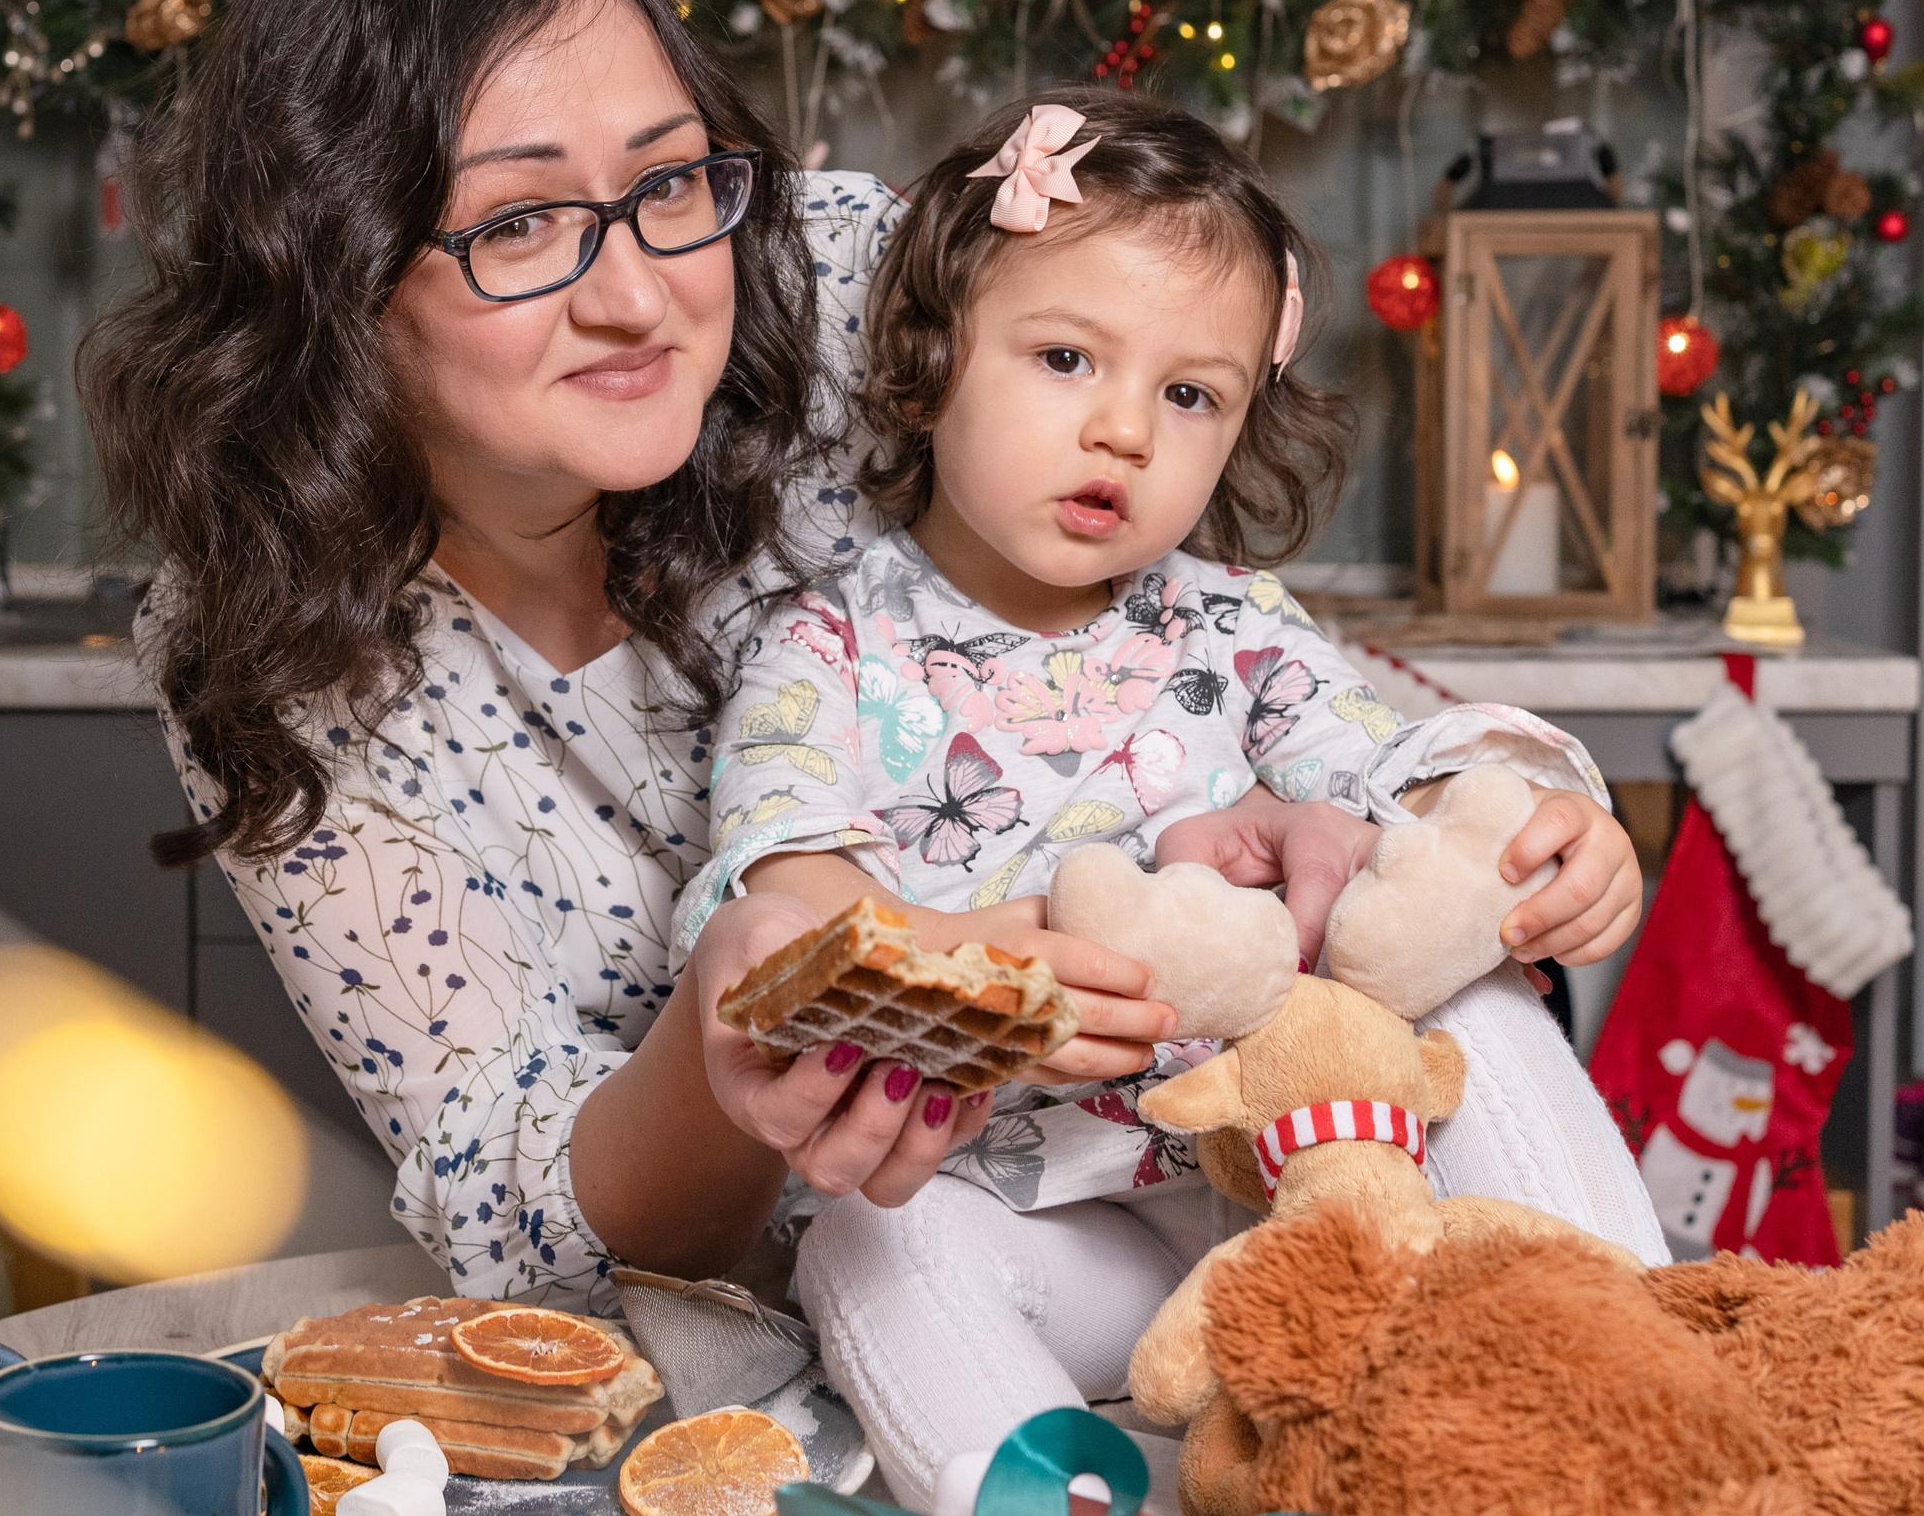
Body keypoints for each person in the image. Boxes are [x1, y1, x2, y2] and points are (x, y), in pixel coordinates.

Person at [81, 0, 1653, 1321]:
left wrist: (1358, 822)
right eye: (520, 224)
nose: (641, 293)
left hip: (1217, 1138)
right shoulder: (263, 648)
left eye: (671, 182)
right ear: (330, 273)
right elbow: (511, 1211)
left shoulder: (846, 284)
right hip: (876, 1295)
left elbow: (1202, 627)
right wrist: (729, 1056)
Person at [676, 91, 1662, 1505]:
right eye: (1068, 357)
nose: (1126, 429)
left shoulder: (1230, 625)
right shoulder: (825, 646)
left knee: (1479, 1002)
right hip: (1037, 1232)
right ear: (928, 364)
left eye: (1191, 394)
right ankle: (1041, 1485)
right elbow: (788, 887)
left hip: (1279, 1199)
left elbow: (1388, 763)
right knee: (869, 1241)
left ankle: (1622, 1362)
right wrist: (997, 952)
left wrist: (1532, 820)